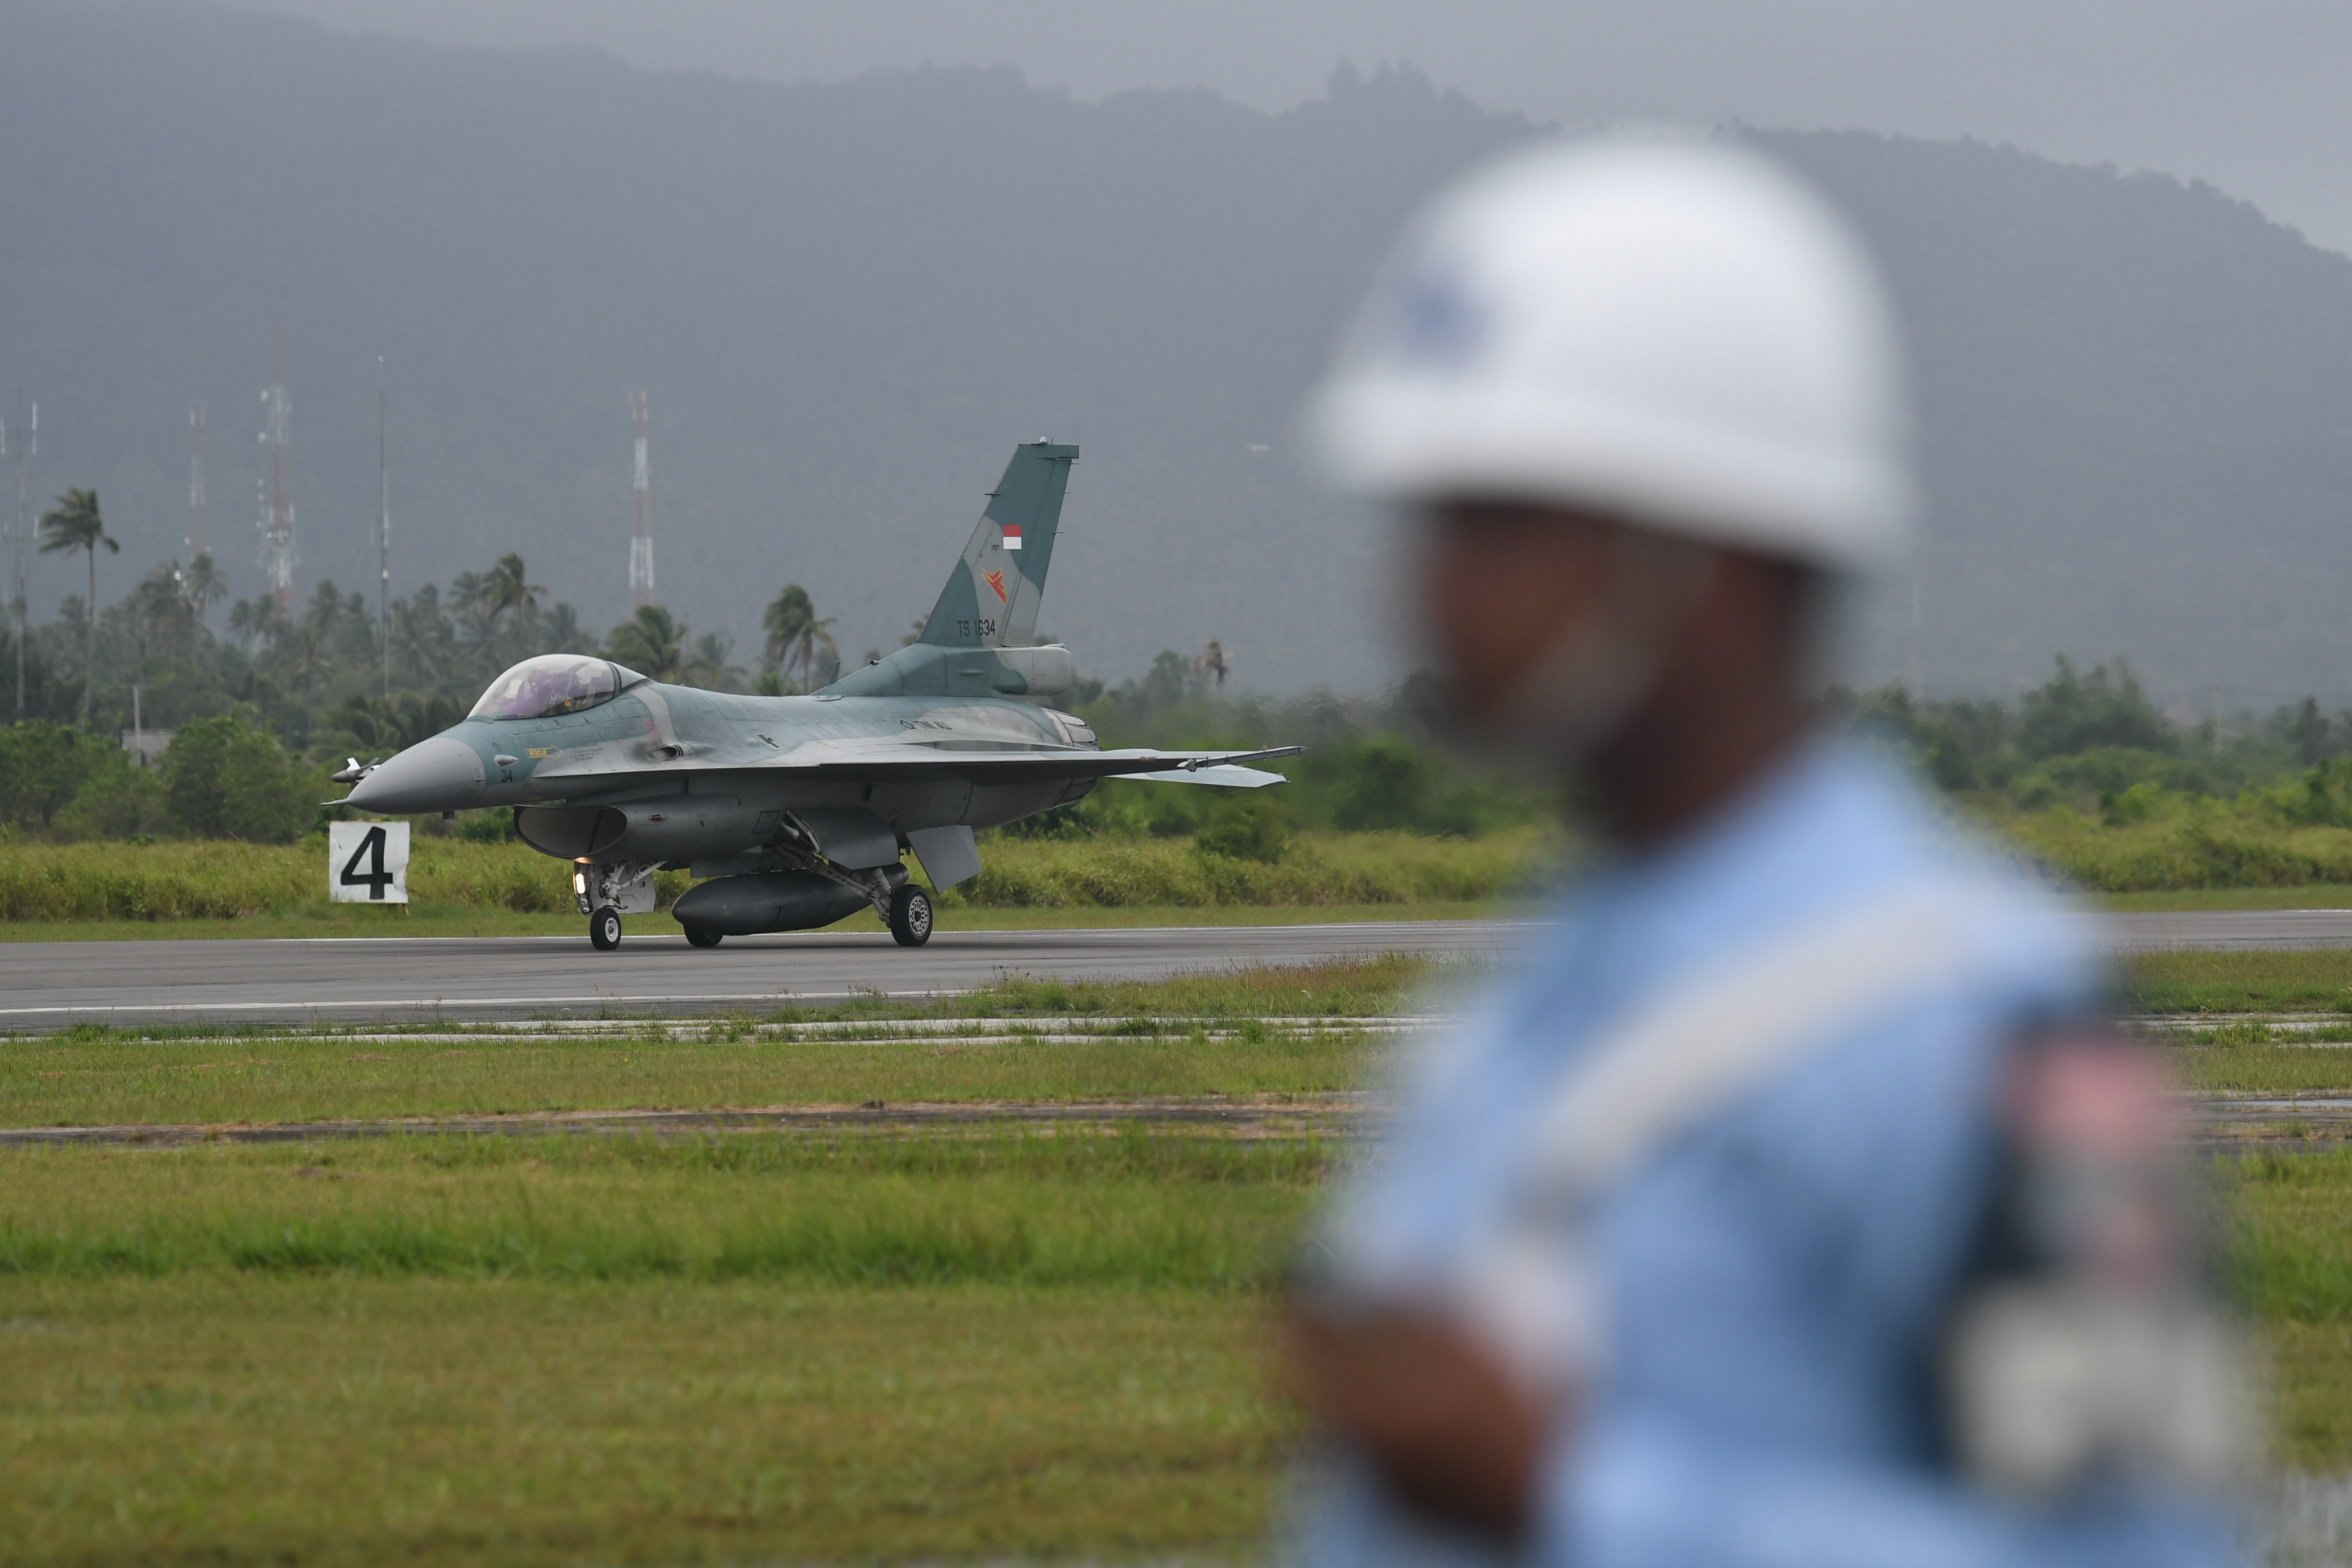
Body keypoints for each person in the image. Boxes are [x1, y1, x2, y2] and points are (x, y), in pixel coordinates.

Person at [1285, 134, 2246, 1568]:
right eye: (1428, 520)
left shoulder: (1986, 1022)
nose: (1431, 585)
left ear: (1703, 558)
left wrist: (1574, 1501)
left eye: (1499, 523)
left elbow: (2138, 1549)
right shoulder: (1503, 1014)